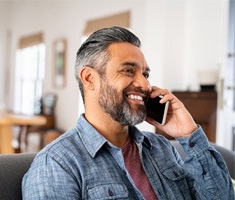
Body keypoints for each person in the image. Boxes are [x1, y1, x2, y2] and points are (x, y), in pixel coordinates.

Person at [22, 26, 235, 200]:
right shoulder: (57, 164)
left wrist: (189, 134)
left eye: (145, 74)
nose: (144, 83)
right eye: (128, 70)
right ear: (89, 79)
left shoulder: (161, 149)